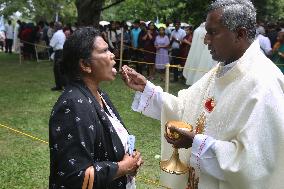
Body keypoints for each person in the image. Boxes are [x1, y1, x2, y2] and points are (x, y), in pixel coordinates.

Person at [121, 0, 284, 188]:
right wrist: (147, 89)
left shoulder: (265, 83)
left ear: (239, 34)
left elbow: (257, 163)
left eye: (212, 32)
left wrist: (197, 144)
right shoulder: (221, 70)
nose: (205, 39)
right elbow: (185, 107)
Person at [49, 27, 143, 189]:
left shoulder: (99, 95)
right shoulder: (72, 106)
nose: (112, 54)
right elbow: (74, 176)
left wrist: (131, 159)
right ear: (85, 64)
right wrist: (122, 167)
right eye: (105, 50)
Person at [49, 22, 66, 91]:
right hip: (62, 51)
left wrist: (50, 47)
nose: (54, 28)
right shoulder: (62, 33)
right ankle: (60, 85)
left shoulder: (56, 34)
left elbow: (52, 44)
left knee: (57, 69)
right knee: (60, 69)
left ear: (56, 27)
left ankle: (60, 86)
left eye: (54, 26)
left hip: (58, 52)